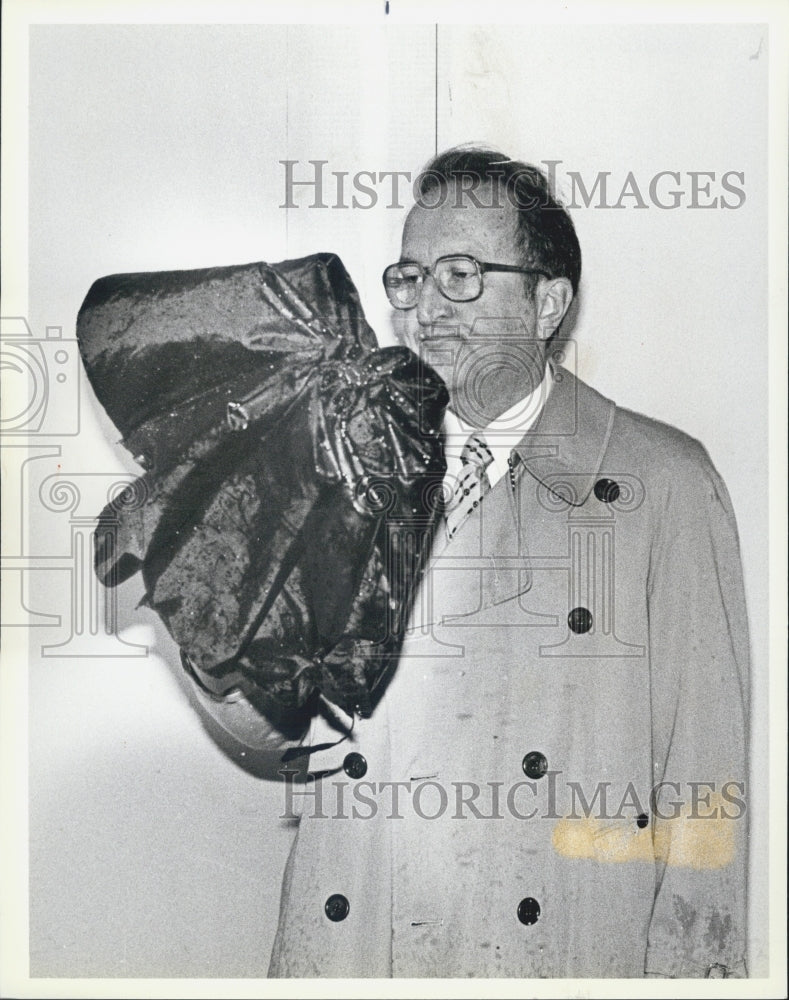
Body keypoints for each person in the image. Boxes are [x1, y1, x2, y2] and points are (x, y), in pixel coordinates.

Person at [194, 147, 751, 978]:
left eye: (461, 276)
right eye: (409, 278)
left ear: (547, 302)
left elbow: (705, 792)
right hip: (358, 934)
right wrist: (207, 616)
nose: (425, 308)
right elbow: (273, 730)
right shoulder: (343, 473)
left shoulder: (659, 482)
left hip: (555, 949)